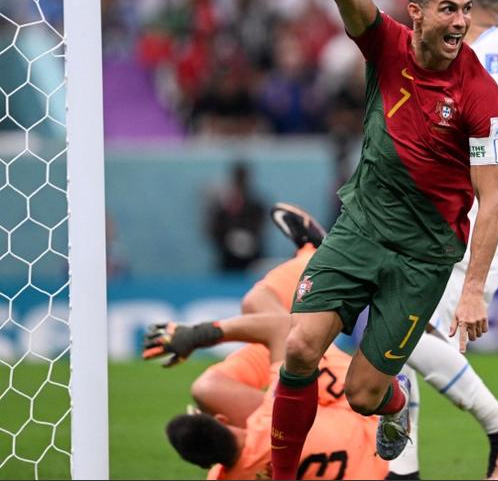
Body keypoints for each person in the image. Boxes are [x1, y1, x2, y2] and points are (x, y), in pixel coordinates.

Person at [272, 0, 498, 480]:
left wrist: (475, 286)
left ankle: (396, 401)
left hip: (422, 257)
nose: (461, 21)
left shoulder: (483, 96)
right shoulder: (388, 45)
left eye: (467, 10)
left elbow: (493, 197)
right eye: (449, 9)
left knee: (363, 394)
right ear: (418, 13)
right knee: (298, 347)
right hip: (362, 229)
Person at [389, 0, 498, 481]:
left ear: (469, 3)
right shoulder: (470, 54)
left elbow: (479, 108)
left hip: (480, 225)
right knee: (402, 343)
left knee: (407, 339)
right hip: (449, 223)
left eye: (456, 3)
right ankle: (402, 472)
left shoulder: (495, 53)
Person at [144, 204, 387, 479]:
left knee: (227, 364)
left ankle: (313, 256)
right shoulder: (271, 420)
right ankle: (315, 255)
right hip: (355, 409)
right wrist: (198, 335)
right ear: (223, 420)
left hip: (365, 463)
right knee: (255, 308)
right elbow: (281, 328)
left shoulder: (223, 477)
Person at [205, 161, 266, 274]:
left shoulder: (256, 206)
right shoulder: (223, 207)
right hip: (228, 259)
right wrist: (229, 239)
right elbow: (214, 229)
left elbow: (260, 228)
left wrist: (246, 238)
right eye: (239, 178)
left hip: (253, 258)